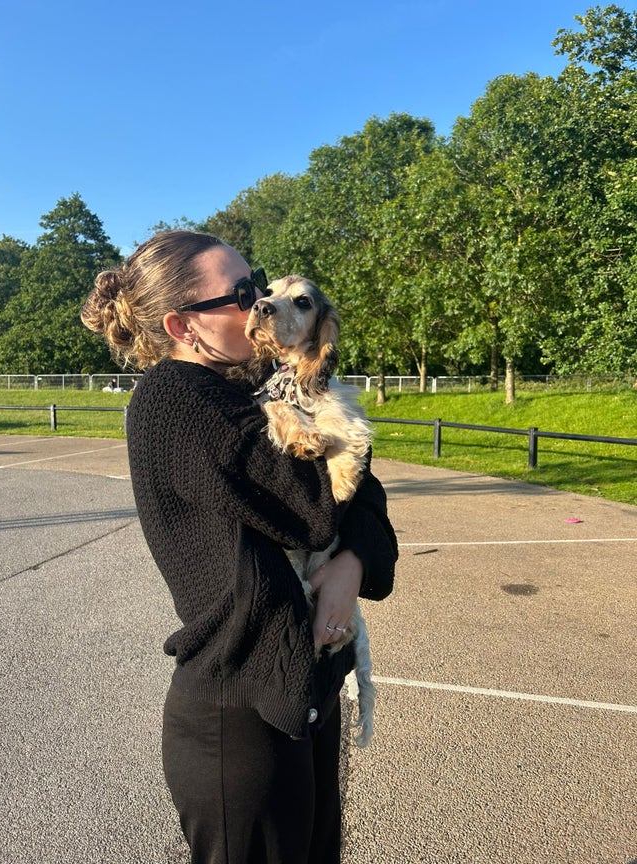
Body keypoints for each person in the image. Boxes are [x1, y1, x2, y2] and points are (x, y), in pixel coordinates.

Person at [81, 230, 397, 864]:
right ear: (182, 325)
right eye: (242, 294)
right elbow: (313, 505)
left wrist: (350, 565)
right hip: (240, 714)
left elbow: (366, 495)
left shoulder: (251, 393)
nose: (260, 303)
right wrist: (345, 515)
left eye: (260, 285)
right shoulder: (175, 402)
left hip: (302, 688)